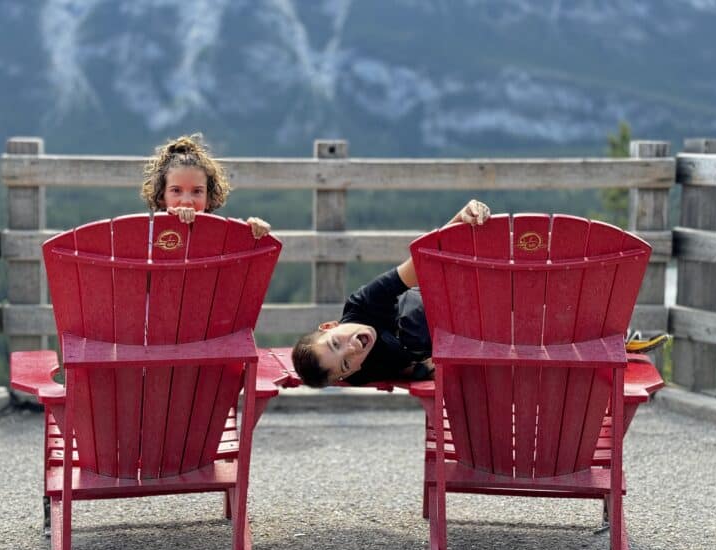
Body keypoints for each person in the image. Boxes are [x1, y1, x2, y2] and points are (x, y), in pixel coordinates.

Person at [291, 199, 491, 387]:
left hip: (469, 297)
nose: (351, 350)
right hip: (475, 345)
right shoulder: (361, 374)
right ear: (351, 372)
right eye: (345, 364)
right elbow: (400, 368)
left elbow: (423, 262)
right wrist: (421, 369)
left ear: (330, 326)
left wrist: (461, 218)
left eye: (336, 343)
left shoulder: (364, 304)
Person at [140, 133, 271, 238]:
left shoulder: (224, 235)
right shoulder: (147, 237)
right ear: (162, 197)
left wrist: (255, 228)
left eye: (197, 191)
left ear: (208, 199)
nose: (186, 202)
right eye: (176, 190)